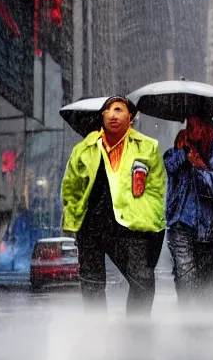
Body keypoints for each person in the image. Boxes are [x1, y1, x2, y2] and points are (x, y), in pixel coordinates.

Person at [61, 95, 166, 316]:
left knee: (143, 282)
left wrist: (148, 220)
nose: (112, 115)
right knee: (91, 282)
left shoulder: (148, 147)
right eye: (107, 110)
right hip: (90, 225)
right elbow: (71, 187)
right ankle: (97, 333)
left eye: (118, 109)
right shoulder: (84, 148)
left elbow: (156, 189)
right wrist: (73, 218)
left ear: (131, 117)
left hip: (129, 225)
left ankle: (137, 331)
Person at [163, 117, 213, 309]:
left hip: (211, 228)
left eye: (197, 126)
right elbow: (169, 164)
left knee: (210, 286)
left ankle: (204, 327)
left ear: (208, 129)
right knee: (185, 277)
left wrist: (199, 167)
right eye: (189, 126)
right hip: (181, 224)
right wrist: (185, 154)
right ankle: (188, 320)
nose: (192, 130)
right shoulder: (181, 148)